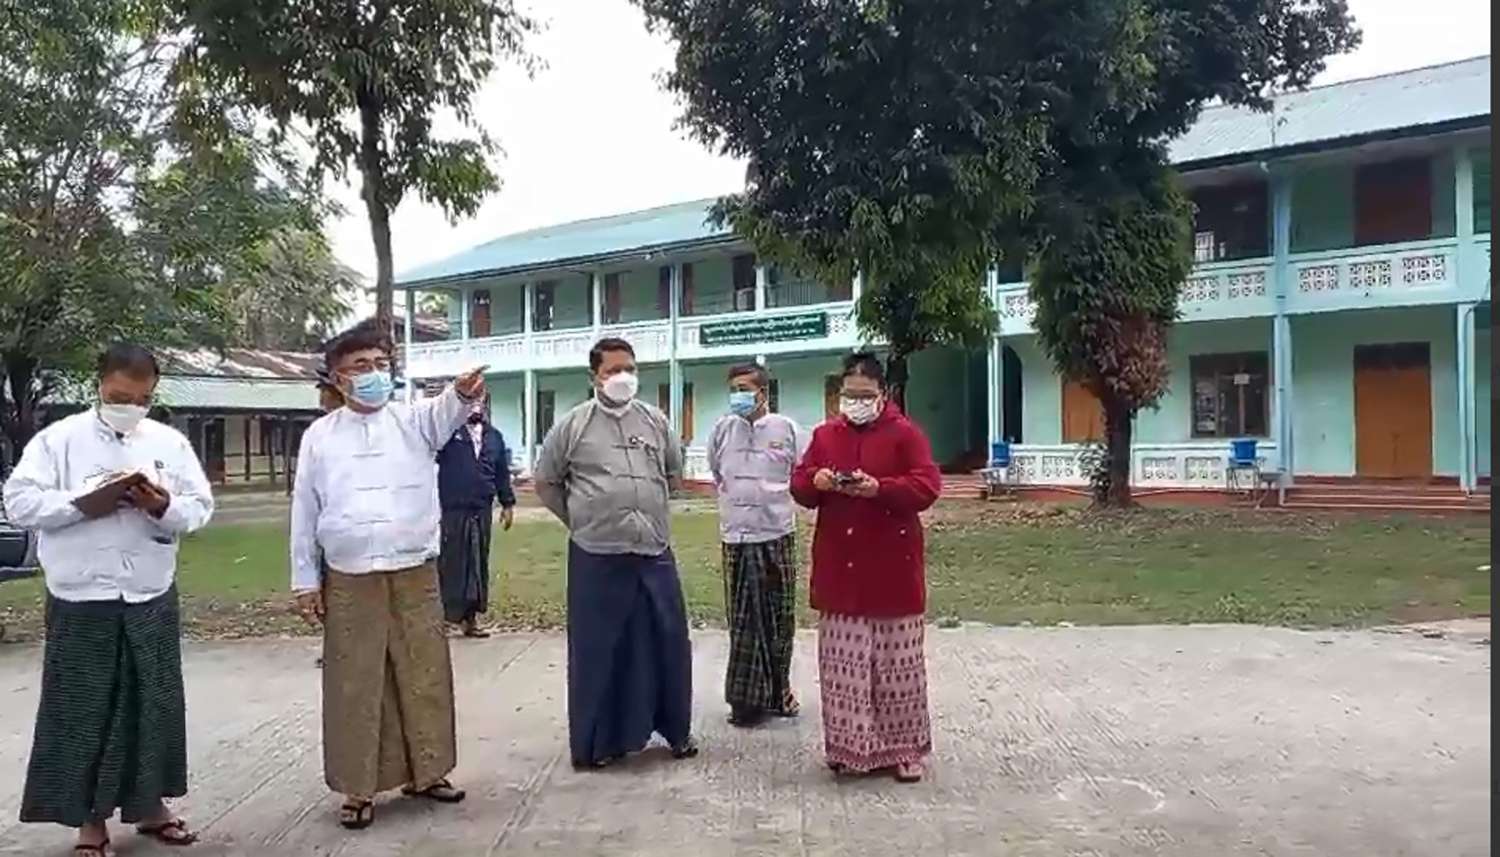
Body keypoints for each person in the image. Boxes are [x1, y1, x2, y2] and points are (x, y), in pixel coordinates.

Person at [4, 343, 214, 853]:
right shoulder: (58, 440)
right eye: (120, 396)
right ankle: (90, 822)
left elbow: (200, 508)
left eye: (141, 399)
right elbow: (20, 503)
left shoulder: (168, 442)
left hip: (149, 592)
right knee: (84, 711)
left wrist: (162, 505)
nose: (130, 407)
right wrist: (82, 504)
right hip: (82, 596)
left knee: (153, 706)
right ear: (98, 385)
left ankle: (151, 807)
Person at [289, 320, 488, 829]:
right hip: (349, 574)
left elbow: (448, 409)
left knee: (424, 673)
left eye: (381, 364)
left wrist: (463, 393)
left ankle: (428, 773)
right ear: (338, 378)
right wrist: (305, 579)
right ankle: (358, 788)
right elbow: (304, 510)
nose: (374, 373)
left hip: (414, 570)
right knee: (355, 682)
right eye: (361, 366)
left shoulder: (414, 421)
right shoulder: (319, 437)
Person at [533, 336, 699, 769]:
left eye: (629, 369)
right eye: (612, 370)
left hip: (652, 549)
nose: (622, 377)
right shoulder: (572, 425)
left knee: (667, 640)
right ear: (595, 377)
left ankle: (675, 731)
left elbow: (673, 473)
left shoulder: (655, 420)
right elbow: (546, 482)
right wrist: (581, 518)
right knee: (599, 649)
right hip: (597, 553)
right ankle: (597, 743)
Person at [790, 352, 942, 784]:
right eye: (849, 394)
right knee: (845, 668)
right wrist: (815, 480)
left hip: (892, 565)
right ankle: (849, 749)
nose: (856, 402)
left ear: (882, 394)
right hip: (841, 565)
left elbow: (927, 485)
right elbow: (800, 484)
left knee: (897, 666)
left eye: (864, 395)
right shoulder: (825, 435)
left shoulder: (905, 433)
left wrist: (881, 488)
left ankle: (905, 751)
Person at [706, 362, 807, 727]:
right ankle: (745, 701)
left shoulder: (788, 429)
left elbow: (802, 473)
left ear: (763, 392)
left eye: (745, 389)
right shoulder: (722, 430)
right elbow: (717, 473)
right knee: (743, 621)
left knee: (779, 619)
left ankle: (780, 693)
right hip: (736, 535)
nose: (738, 396)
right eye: (733, 389)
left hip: (776, 533)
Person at [435, 392, 516, 638]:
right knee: (451, 562)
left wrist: (507, 503)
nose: (475, 407)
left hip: (481, 509)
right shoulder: (449, 435)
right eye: (471, 402)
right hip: (452, 509)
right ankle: (447, 617)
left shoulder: (494, 437)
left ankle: (470, 619)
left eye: (479, 402)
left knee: (477, 562)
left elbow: (501, 473)